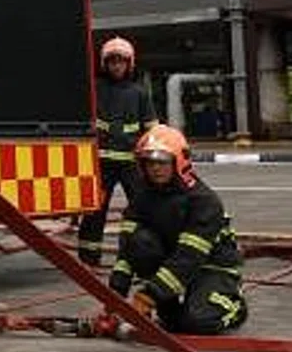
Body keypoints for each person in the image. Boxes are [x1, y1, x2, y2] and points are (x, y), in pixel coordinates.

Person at [106, 125, 248, 334]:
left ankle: (235, 306)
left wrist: (147, 297)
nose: (155, 168)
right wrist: (114, 297)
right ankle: (169, 309)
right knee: (140, 242)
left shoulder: (203, 201)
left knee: (198, 322)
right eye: (149, 162)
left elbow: (188, 257)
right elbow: (128, 251)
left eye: (162, 161)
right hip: (173, 265)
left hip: (212, 266)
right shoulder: (142, 198)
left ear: (178, 162)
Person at [79, 36, 157, 267]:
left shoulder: (139, 93)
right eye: (112, 61)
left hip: (132, 164)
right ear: (105, 63)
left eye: (121, 61)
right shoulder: (95, 89)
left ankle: (142, 254)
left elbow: (151, 128)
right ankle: (88, 259)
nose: (116, 66)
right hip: (101, 163)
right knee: (95, 211)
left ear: (129, 63)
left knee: (142, 209)